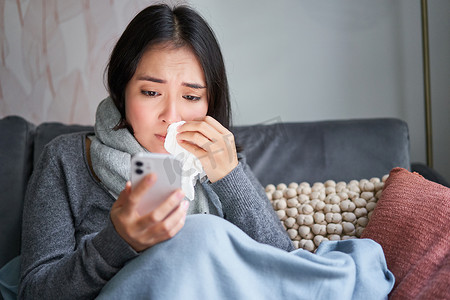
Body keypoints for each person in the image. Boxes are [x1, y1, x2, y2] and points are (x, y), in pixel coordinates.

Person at [18, 4, 295, 299]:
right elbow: (35, 292)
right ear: (121, 90)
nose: (172, 115)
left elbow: (287, 269)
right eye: (151, 92)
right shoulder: (66, 159)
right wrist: (117, 241)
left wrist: (230, 177)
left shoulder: (221, 162)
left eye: (191, 96)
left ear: (209, 103)